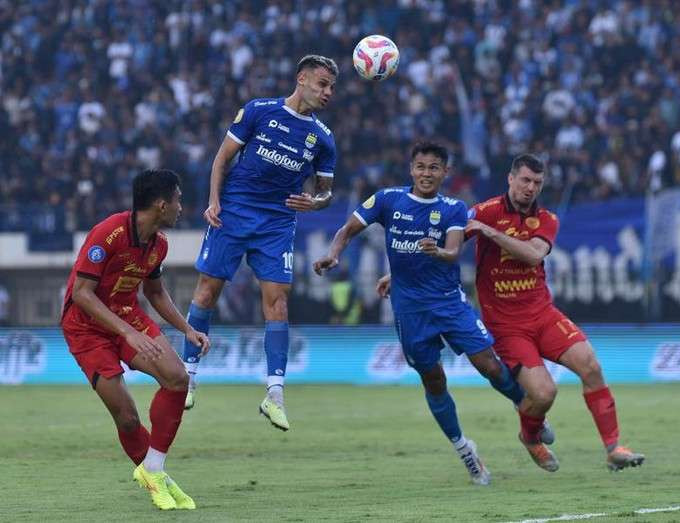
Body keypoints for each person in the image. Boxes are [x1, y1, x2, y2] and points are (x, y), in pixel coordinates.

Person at [314, 142, 532, 486]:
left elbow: (454, 251)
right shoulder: (388, 200)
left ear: (445, 173)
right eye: (420, 167)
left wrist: (438, 251)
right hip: (409, 310)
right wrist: (334, 254)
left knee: (489, 364)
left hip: (449, 303)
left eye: (434, 168)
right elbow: (348, 230)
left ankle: (528, 412)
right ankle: (465, 450)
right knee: (434, 380)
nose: (426, 173)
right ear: (411, 169)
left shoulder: (453, 208)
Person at [181, 55, 338, 431]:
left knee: (278, 300)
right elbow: (221, 160)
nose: (328, 93)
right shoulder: (258, 111)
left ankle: (275, 394)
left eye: (331, 87)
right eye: (321, 84)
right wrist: (214, 201)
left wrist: (313, 203)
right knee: (207, 291)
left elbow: (326, 194)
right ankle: (187, 376)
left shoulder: (324, 139)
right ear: (301, 79)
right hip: (234, 211)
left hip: (277, 222)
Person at [462, 153, 645, 472]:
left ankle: (614, 448)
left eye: (537, 183)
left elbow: (534, 255)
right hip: (506, 325)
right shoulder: (483, 211)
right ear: (510, 178)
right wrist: (403, 273)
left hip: (543, 314)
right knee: (544, 393)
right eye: (525, 180)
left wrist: (489, 233)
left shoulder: (547, 219)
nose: (530, 188)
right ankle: (530, 437)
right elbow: (447, 242)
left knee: (591, 366)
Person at [60, 169, 210, 510]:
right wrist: (127, 333)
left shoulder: (159, 245)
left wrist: (187, 328)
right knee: (126, 417)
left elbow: (155, 293)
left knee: (177, 379)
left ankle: (154, 468)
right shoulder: (108, 233)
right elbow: (82, 294)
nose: (181, 208)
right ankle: (156, 476)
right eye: (178, 200)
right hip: (86, 326)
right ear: (161, 204)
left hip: (126, 314)